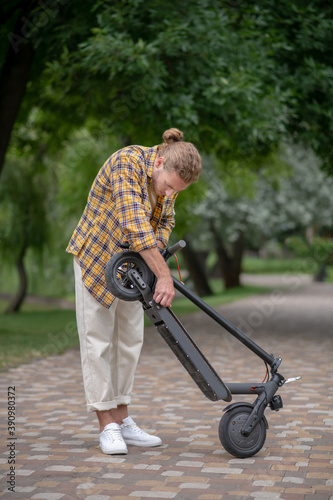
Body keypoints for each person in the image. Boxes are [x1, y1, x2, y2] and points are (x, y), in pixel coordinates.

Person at [66, 128, 202, 455]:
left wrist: (155, 256)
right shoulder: (126, 162)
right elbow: (134, 223)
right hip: (97, 258)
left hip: (132, 268)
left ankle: (123, 420)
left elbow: (164, 222)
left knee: (128, 341)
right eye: (169, 186)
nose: (170, 194)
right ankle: (107, 425)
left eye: (177, 191)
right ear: (158, 162)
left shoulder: (169, 179)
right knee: (98, 340)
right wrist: (163, 275)